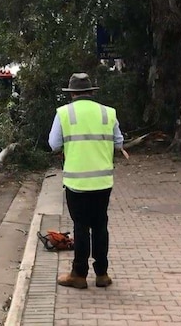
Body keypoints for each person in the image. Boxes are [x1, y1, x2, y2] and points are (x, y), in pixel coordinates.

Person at [49, 73, 128, 289]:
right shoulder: (108, 113)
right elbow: (119, 142)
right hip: (103, 182)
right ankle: (102, 274)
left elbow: (54, 144)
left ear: (72, 93)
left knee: (81, 227)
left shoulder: (64, 113)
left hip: (77, 183)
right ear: (92, 92)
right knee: (101, 226)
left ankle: (79, 275)